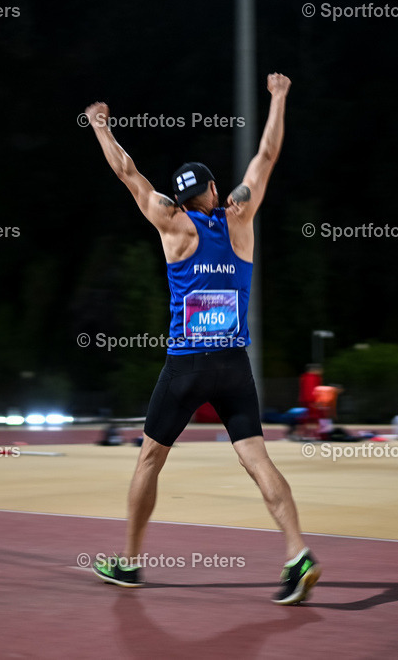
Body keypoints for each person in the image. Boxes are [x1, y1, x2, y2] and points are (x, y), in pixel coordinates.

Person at [84, 73, 320, 605]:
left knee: (149, 460)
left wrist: (101, 127)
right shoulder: (241, 218)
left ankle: (130, 563)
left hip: (186, 365)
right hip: (234, 365)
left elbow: (128, 173)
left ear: (182, 197)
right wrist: (280, 97)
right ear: (213, 191)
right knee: (257, 459)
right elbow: (266, 154)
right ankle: (297, 552)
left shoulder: (172, 224)